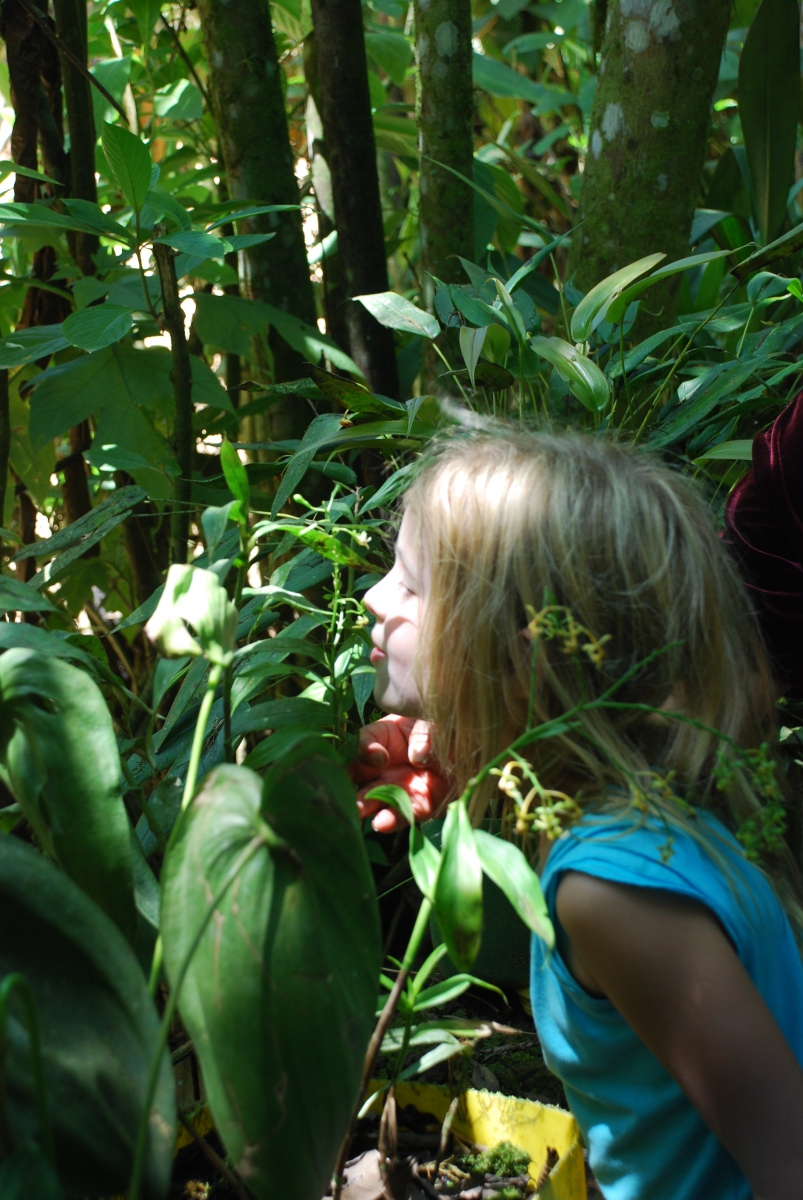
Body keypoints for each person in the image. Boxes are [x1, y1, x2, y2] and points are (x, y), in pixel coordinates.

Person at [353, 426, 803, 1200]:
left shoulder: (610, 891)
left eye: (410, 583)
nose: (374, 598)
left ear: (515, 644)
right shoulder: (662, 816)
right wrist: (480, 763)